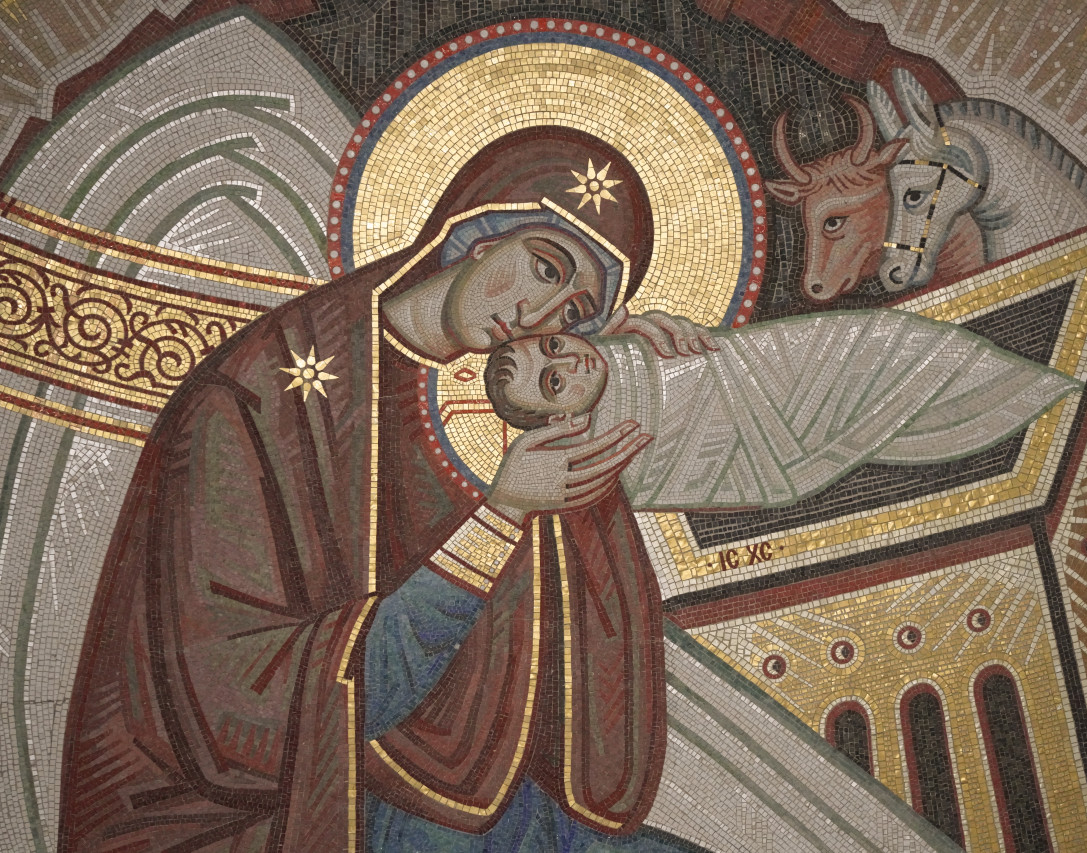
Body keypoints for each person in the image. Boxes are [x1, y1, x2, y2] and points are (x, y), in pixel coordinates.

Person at [59, 128, 707, 852]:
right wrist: (501, 515)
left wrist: (610, 379)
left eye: (572, 312)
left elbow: (578, 656)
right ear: (478, 230)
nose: (536, 315)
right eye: (543, 268)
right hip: (281, 810)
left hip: (434, 789)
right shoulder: (264, 391)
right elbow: (231, 703)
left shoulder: (496, 405)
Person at [485, 312, 1081, 510]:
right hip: (772, 434)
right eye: (556, 382)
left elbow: (721, 352)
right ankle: (1000, 390)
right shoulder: (598, 455)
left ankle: (998, 384)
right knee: (878, 372)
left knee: (871, 340)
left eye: (555, 345)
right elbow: (672, 471)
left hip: (771, 362)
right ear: (557, 421)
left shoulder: (621, 339)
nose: (572, 360)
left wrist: (627, 327)